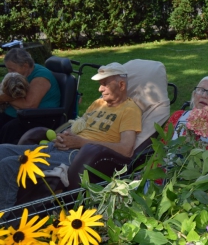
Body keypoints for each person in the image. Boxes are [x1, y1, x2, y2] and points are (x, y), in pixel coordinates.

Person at [0, 62, 142, 211]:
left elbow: (126, 150)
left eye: (105, 84)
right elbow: (80, 126)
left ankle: (5, 218)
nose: (100, 89)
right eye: (100, 84)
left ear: (121, 85)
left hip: (80, 155)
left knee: (10, 164)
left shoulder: (130, 110)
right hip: (63, 147)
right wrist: (64, 137)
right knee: (2, 150)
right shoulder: (99, 103)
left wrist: (81, 143)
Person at [0, 48, 61, 144]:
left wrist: (4, 98)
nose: (9, 72)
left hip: (38, 118)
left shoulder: (41, 77)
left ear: (25, 65)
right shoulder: (22, 74)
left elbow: (29, 106)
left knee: (8, 129)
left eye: (12, 69)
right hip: (17, 114)